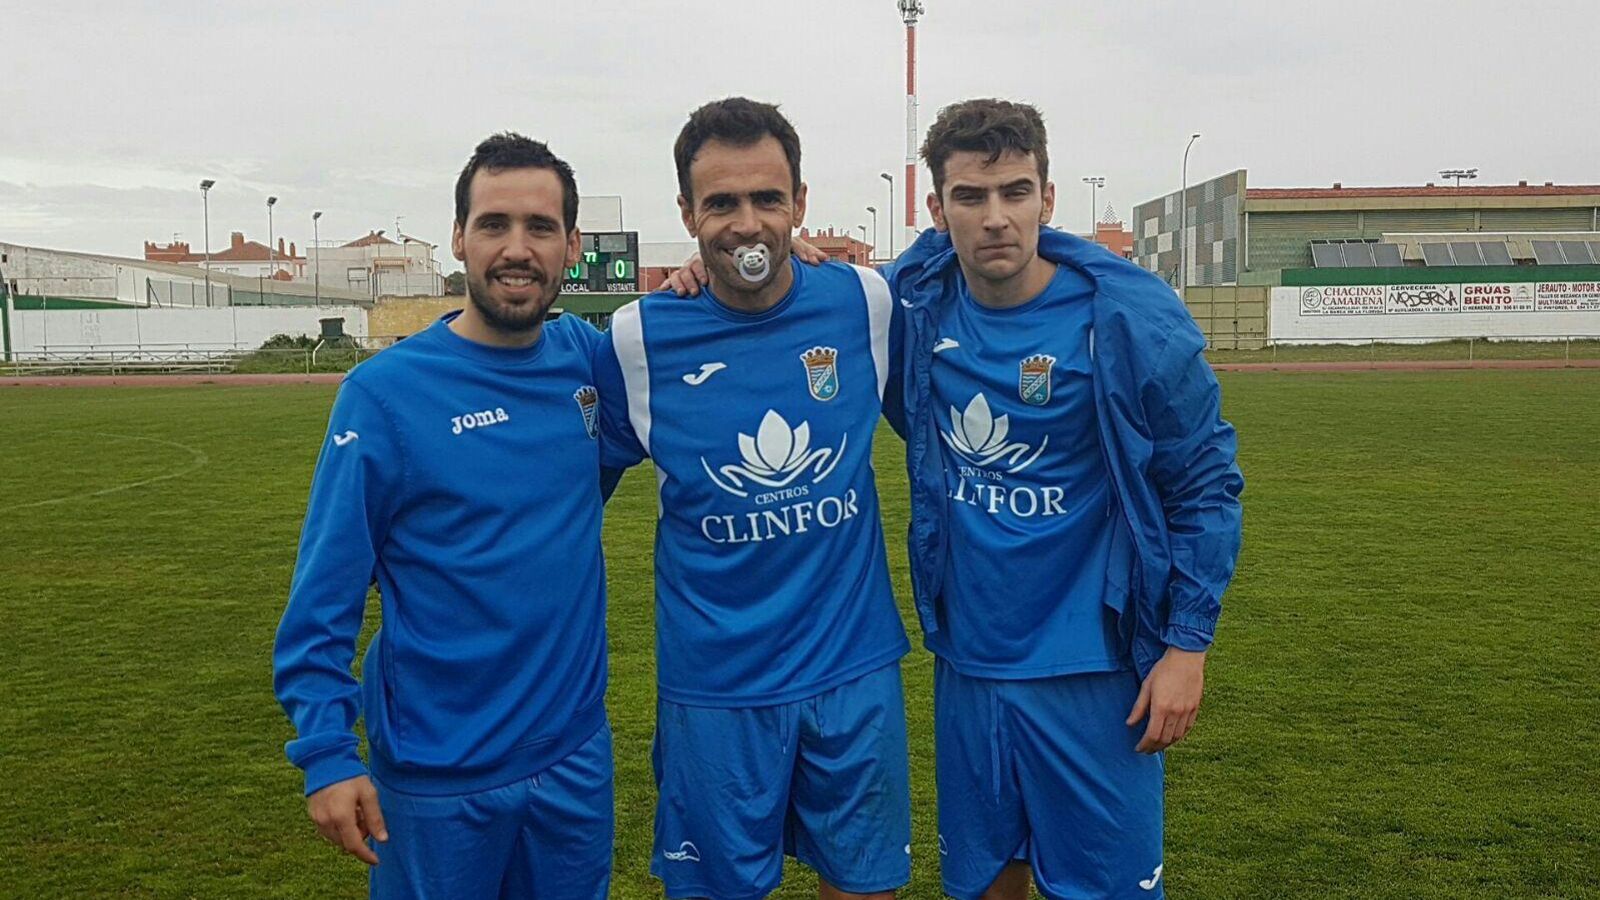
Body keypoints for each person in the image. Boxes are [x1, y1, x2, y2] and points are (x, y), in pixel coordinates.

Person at [668, 98, 1243, 900]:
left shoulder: (1127, 318)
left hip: (1095, 671)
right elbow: (803, 286)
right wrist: (724, 256)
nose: (996, 217)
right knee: (982, 886)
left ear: (1049, 198)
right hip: (968, 665)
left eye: (1016, 191)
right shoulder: (909, 303)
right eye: (971, 197)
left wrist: (1187, 647)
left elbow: (1206, 484)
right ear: (938, 212)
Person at [272, 133, 617, 899]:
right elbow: (323, 598)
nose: (516, 249)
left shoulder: (588, 363)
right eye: (493, 224)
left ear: (572, 246)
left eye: (540, 227)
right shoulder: (383, 395)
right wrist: (328, 752)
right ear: (459, 237)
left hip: (574, 761)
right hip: (436, 781)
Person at [592, 97, 913, 900]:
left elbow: (987, 252)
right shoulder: (635, 340)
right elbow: (564, 499)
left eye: (768, 199)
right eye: (722, 203)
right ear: (687, 213)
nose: (746, 224)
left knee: (866, 888)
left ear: (800, 203)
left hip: (853, 671)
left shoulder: (866, 303)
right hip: (716, 691)